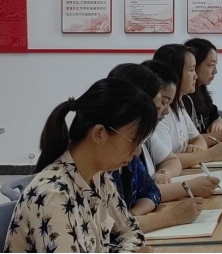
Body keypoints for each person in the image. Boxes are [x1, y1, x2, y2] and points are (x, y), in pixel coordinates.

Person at [4, 78, 157, 253]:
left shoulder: (100, 177)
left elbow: (130, 232)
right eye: (134, 140)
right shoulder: (53, 195)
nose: (137, 151)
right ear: (99, 133)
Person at [108, 64, 210, 234]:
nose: (165, 111)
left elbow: (151, 191)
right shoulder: (100, 167)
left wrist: (133, 215)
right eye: (160, 105)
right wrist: (173, 216)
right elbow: (113, 228)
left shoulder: (129, 147)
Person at [141, 60, 221, 201]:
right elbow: (139, 198)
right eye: (191, 69)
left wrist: (164, 172)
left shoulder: (148, 133)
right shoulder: (151, 127)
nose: (166, 111)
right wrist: (209, 155)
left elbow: (172, 160)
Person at [153, 44, 222, 169]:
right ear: (175, 73)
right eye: (191, 70)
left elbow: (199, 139)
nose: (196, 76)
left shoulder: (179, 104)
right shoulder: (161, 113)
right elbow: (166, 160)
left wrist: (197, 151)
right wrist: (209, 155)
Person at [184, 38, 222, 142]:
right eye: (210, 65)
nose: (215, 71)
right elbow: (189, 141)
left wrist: (217, 123)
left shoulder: (201, 90)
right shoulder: (183, 98)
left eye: (215, 64)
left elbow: (215, 115)